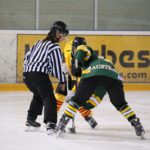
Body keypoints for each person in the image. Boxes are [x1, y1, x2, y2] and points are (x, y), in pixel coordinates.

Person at [56, 37, 145, 138]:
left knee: (76, 101)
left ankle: (62, 124)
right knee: (121, 104)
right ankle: (136, 123)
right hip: (113, 77)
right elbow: (99, 91)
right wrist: (86, 104)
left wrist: (75, 64)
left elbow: (81, 49)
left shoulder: (86, 52)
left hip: (93, 75)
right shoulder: (104, 60)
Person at [23, 20, 69, 135]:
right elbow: (56, 67)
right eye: (63, 35)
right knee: (49, 98)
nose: (63, 38)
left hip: (27, 75)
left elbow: (27, 57)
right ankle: (51, 124)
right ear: (58, 33)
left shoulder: (39, 42)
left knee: (38, 95)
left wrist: (27, 72)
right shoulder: (54, 47)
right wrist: (63, 80)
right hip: (39, 75)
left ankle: (30, 119)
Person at [55, 40, 106, 129]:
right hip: (69, 76)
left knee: (77, 99)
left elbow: (83, 76)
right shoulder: (68, 47)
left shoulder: (86, 56)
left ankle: (88, 117)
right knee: (59, 95)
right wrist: (63, 65)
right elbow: (62, 56)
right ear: (72, 48)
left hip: (80, 78)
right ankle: (52, 120)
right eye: (76, 50)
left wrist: (74, 91)